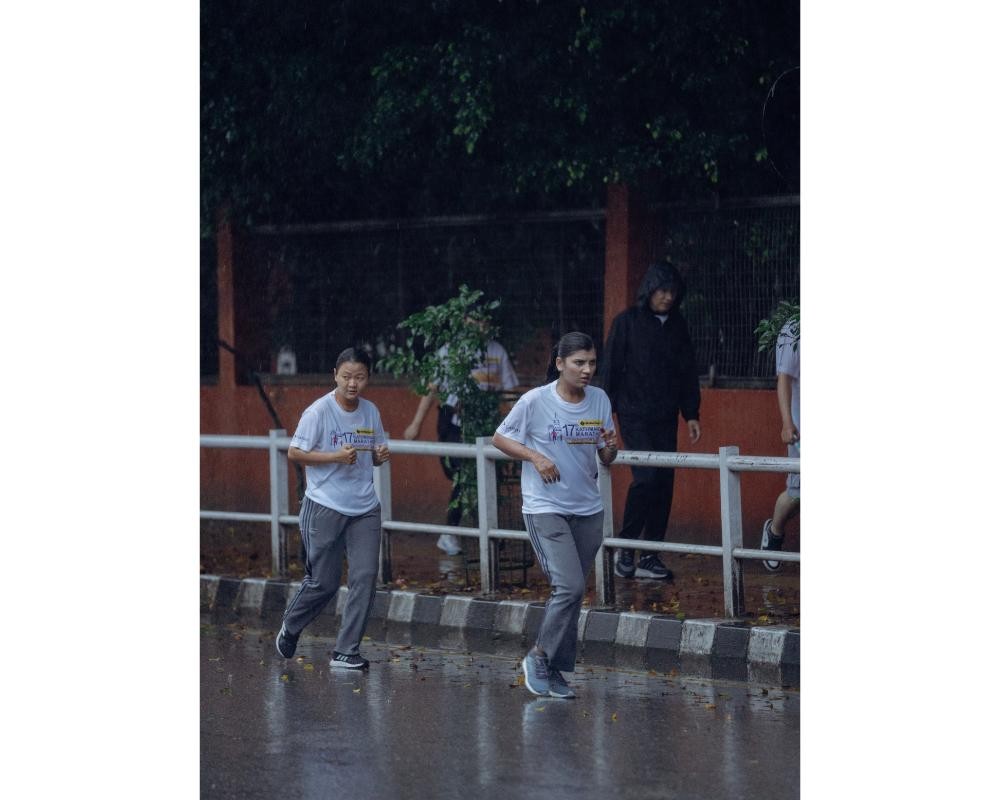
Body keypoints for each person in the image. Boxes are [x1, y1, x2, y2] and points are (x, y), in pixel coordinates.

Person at [492, 332, 617, 699]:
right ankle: (539, 656)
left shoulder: (599, 399)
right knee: (570, 586)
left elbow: (606, 456)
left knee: (572, 594)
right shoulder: (535, 401)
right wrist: (535, 456)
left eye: (592, 363)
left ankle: (557, 670)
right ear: (560, 363)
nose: (587, 370)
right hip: (545, 508)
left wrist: (611, 448)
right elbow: (500, 438)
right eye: (579, 363)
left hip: (588, 510)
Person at [275, 347, 390, 669]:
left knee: (365, 577)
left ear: (368, 378)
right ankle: (291, 625)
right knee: (323, 583)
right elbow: (295, 453)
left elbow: (373, 454)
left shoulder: (370, 411)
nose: (353, 384)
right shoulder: (318, 412)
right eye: (347, 377)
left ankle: (346, 651)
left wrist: (379, 456)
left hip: (364, 507)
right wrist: (334, 457)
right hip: (325, 504)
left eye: (360, 377)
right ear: (335, 375)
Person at [598, 260, 702, 581]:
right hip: (633, 414)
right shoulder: (627, 322)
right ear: (649, 290)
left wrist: (691, 413)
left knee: (664, 482)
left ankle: (650, 556)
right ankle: (626, 548)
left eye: (673, 292)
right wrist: (604, 414)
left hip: (666, 416)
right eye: (662, 290)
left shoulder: (678, 326)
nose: (668, 297)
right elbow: (610, 368)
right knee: (646, 478)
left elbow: (687, 371)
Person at [403, 335, 518, 555]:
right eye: (475, 321)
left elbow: (509, 391)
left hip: (485, 424)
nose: (481, 326)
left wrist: (522, 423)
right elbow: (432, 388)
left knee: (487, 475)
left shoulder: (497, 350)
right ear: (465, 321)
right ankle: (451, 533)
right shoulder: (450, 350)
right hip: (453, 425)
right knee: (463, 476)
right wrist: (416, 424)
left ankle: (485, 532)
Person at [761, 321, 800, 570]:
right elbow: (784, 377)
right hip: (802, 428)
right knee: (798, 492)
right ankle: (774, 531)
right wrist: (787, 423)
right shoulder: (794, 328)